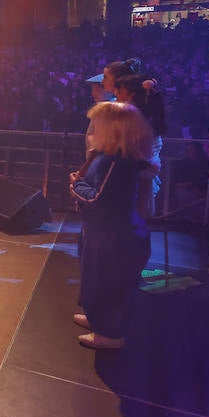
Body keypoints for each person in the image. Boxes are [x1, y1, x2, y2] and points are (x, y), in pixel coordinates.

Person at [70, 101, 154, 350]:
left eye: (99, 124)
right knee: (95, 280)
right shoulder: (108, 156)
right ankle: (99, 321)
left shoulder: (119, 162)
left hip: (114, 237)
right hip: (102, 232)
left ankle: (110, 333)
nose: (93, 130)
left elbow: (99, 197)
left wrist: (76, 185)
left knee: (107, 284)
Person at [113, 73, 168, 219]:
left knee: (129, 218)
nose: (116, 93)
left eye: (120, 90)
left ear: (132, 95)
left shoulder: (135, 122)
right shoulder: (148, 120)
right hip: (139, 176)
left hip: (132, 178)